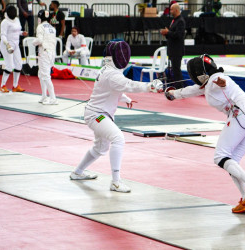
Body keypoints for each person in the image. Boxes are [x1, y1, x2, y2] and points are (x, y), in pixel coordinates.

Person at [165, 55, 245, 213]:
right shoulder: (209, 84)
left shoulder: (217, 78)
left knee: (220, 157)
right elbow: (191, 90)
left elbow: (220, 82)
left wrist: (222, 84)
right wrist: (173, 94)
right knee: (231, 162)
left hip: (242, 116)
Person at [70, 41, 164, 193]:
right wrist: (150, 86)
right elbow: (129, 84)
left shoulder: (108, 70)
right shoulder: (112, 74)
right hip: (97, 116)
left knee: (101, 147)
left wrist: (125, 99)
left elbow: (116, 88)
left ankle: (77, 172)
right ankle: (116, 182)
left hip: (97, 114)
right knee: (118, 138)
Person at [0, 5, 28, 93]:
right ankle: (2, 86)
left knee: (19, 65)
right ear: (7, 13)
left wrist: (22, 33)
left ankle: (15, 86)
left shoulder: (17, 20)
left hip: (15, 45)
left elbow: (16, 31)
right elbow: (3, 35)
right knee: (9, 66)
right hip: (6, 45)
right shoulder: (4, 22)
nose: (13, 13)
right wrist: (7, 44)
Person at [33, 9, 58, 105]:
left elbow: (39, 40)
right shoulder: (52, 27)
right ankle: (44, 96)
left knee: (46, 76)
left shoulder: (40, 27)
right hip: (51, 53)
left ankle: (53, 98)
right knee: (41, 74)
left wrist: (33, 42)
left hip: (44, 53)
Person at [160, 3, 185, 89]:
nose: (170, 11)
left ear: (176, 10)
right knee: (174, 70)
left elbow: (178, 35)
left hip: (177, 50)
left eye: (171, 9)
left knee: (176, 70)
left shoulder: (180, 21)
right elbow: (172, 34)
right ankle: (178, 87)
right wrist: (166, 33)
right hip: (172, 49)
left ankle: (180, 88)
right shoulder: (174, 20)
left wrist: (168, 32)